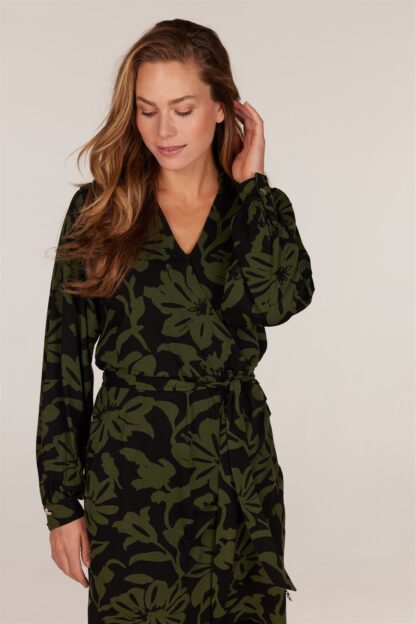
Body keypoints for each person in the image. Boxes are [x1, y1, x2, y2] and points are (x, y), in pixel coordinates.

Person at [35, 18, 315, 624]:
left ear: (222, 108)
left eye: (183, 109)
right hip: (132, 474)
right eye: (147, 110)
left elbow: (279, 301)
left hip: (236, 468)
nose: (163, 130)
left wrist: (253, 187)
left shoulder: (257, 208)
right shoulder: (102, 210)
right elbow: (64, 360)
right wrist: (62, 504)